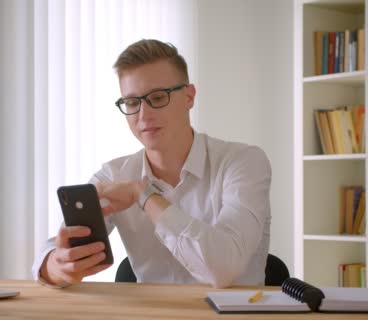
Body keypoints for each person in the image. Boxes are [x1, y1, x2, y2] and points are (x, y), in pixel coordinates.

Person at [32, 39, 271, 289]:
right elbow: (54, 252)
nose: (143, 115)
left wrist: (144, 196)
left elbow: (224, 269)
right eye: (133, 103)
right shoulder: (114, 175)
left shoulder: (244, 162)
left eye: (158, 97)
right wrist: (57, 266)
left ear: (189, 97)